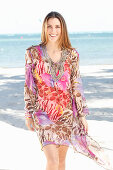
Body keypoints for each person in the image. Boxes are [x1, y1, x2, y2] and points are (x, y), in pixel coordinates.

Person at [24, 11, 112, 170]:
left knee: (61, 162)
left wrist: (82, 115)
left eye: (57, 27)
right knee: (52, 161)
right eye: (49, 26)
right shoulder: (33, 53)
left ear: (62, 29)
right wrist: (28, 114)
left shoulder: (72, 55)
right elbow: (30, 86)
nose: (53, 31)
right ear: (44, 28)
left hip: (66, 114)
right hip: (43, 114)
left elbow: (76, 85)